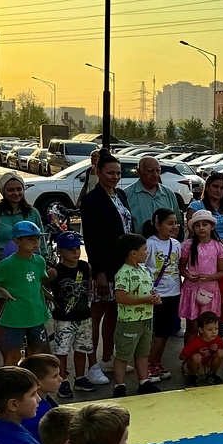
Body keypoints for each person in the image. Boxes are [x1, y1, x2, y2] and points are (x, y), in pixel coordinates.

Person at [80, 151, 133, 384]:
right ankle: (91, 364)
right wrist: (99, 271)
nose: (115, 177)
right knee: (97, 313)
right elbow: (91, 239)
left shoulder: (120, 194)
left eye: (118, 173)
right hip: (103, 265)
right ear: (98, 172)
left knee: (114, 312)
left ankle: (107, 357)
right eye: (110, 172)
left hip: (122, 265)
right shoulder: (92, 200)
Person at [0, 173, 45, 361]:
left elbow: (42, 241)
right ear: (3, 192)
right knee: (1, 316)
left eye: (19, 189)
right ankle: (9, 359)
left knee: (30, 312)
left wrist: (43, 263)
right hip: (2, 270)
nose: (16, 193)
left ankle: (31, 361)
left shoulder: (32, 212)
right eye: (11, 189)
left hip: (28, 270)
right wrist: (2, 267)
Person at [0, 220, 50, 364]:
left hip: (36, 315)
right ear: (17, 241)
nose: (35, 242)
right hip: (15, 318)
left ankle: (33, 382)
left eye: (37, 238)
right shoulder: (8, 264)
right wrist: (1, 289)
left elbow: (38, 282)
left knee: (36, 353)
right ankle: (9, 382)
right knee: (12, 355)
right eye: (30, 239)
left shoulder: (39, 261)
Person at [47, 230, 97, 397]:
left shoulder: (85, 266)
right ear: (60, 252)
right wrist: (51, 299)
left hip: (84, 316)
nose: (75, 252)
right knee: (62, 351)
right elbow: (39, 284)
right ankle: (62, 380)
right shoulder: (55, 271)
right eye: (70, 249)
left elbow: (88, 284)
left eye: (77, 248)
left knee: (82, 348)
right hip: (64, 319)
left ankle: (80, 377)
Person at [113, 233, 162, 399]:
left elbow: (148, 289)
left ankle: (144, 381)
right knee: (123, 354)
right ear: (133, 253)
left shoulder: (144, 270)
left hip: (146, 319)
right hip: (129, 321)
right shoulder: (123, 273)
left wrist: (154, 296)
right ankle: (119, 385)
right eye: (144, 249)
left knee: (143, 352)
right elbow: (121, 297)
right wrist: (145, 299)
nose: (147, 253)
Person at [145, 208, 183, 383]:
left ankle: (157, 362)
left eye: (176, 223)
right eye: (169, 223)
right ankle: (148, 364)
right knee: (157, 333)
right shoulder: (149, 244)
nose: (174, 226)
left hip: (174, 292)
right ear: (157, 224)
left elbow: (178, 266)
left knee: (167, 331)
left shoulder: (176, 244)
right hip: (157, 294)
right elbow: (143, 268)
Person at [180, 211, 223, 336]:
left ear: (212, 226)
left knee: (209, 327)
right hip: (191, 290)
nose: (201, 228)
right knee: (192, 327)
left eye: (204, 224)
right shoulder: (187, 246)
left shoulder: (219, 247)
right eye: (197, 225)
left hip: (210, 291)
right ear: (193, 228)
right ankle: (190, 354)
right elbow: (181, 267)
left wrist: (210, 277)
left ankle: (207, 354)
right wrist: (188, 275)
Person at [124, 156, 182, 233]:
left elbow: (177, 221)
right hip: (139, 243)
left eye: (158, 171)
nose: (155, 175)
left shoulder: (168, 193)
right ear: (139, 171)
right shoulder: (127, 194)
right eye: (150, 171)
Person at [19, 353, 62, 437]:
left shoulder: (45, 400)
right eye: (55, 376)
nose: (61, 379)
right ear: (38, 382)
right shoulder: (36, 414)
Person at [180, 312, 223, 386]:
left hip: (207, 366)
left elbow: (221, 352)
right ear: (201, 330)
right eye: (209, 329)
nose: (214, 332)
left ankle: (212, 374)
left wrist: (215, 350)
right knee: (197, 357)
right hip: (193, 367)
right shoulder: (195, 342)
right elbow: (181, 356)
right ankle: (193, 376)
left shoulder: (218, 340)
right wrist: (197, 351)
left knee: (221, 352)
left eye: (216, 328)